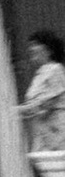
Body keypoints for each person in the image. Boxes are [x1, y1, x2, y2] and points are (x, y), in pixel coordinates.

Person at [22, 29, 65, 159]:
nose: (31, 48)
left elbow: (44, 105)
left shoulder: (55, 70)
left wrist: (10, 111)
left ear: (49, 49)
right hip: (43, 132)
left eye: (36, 44)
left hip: (57, 131)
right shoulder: (41, 73)